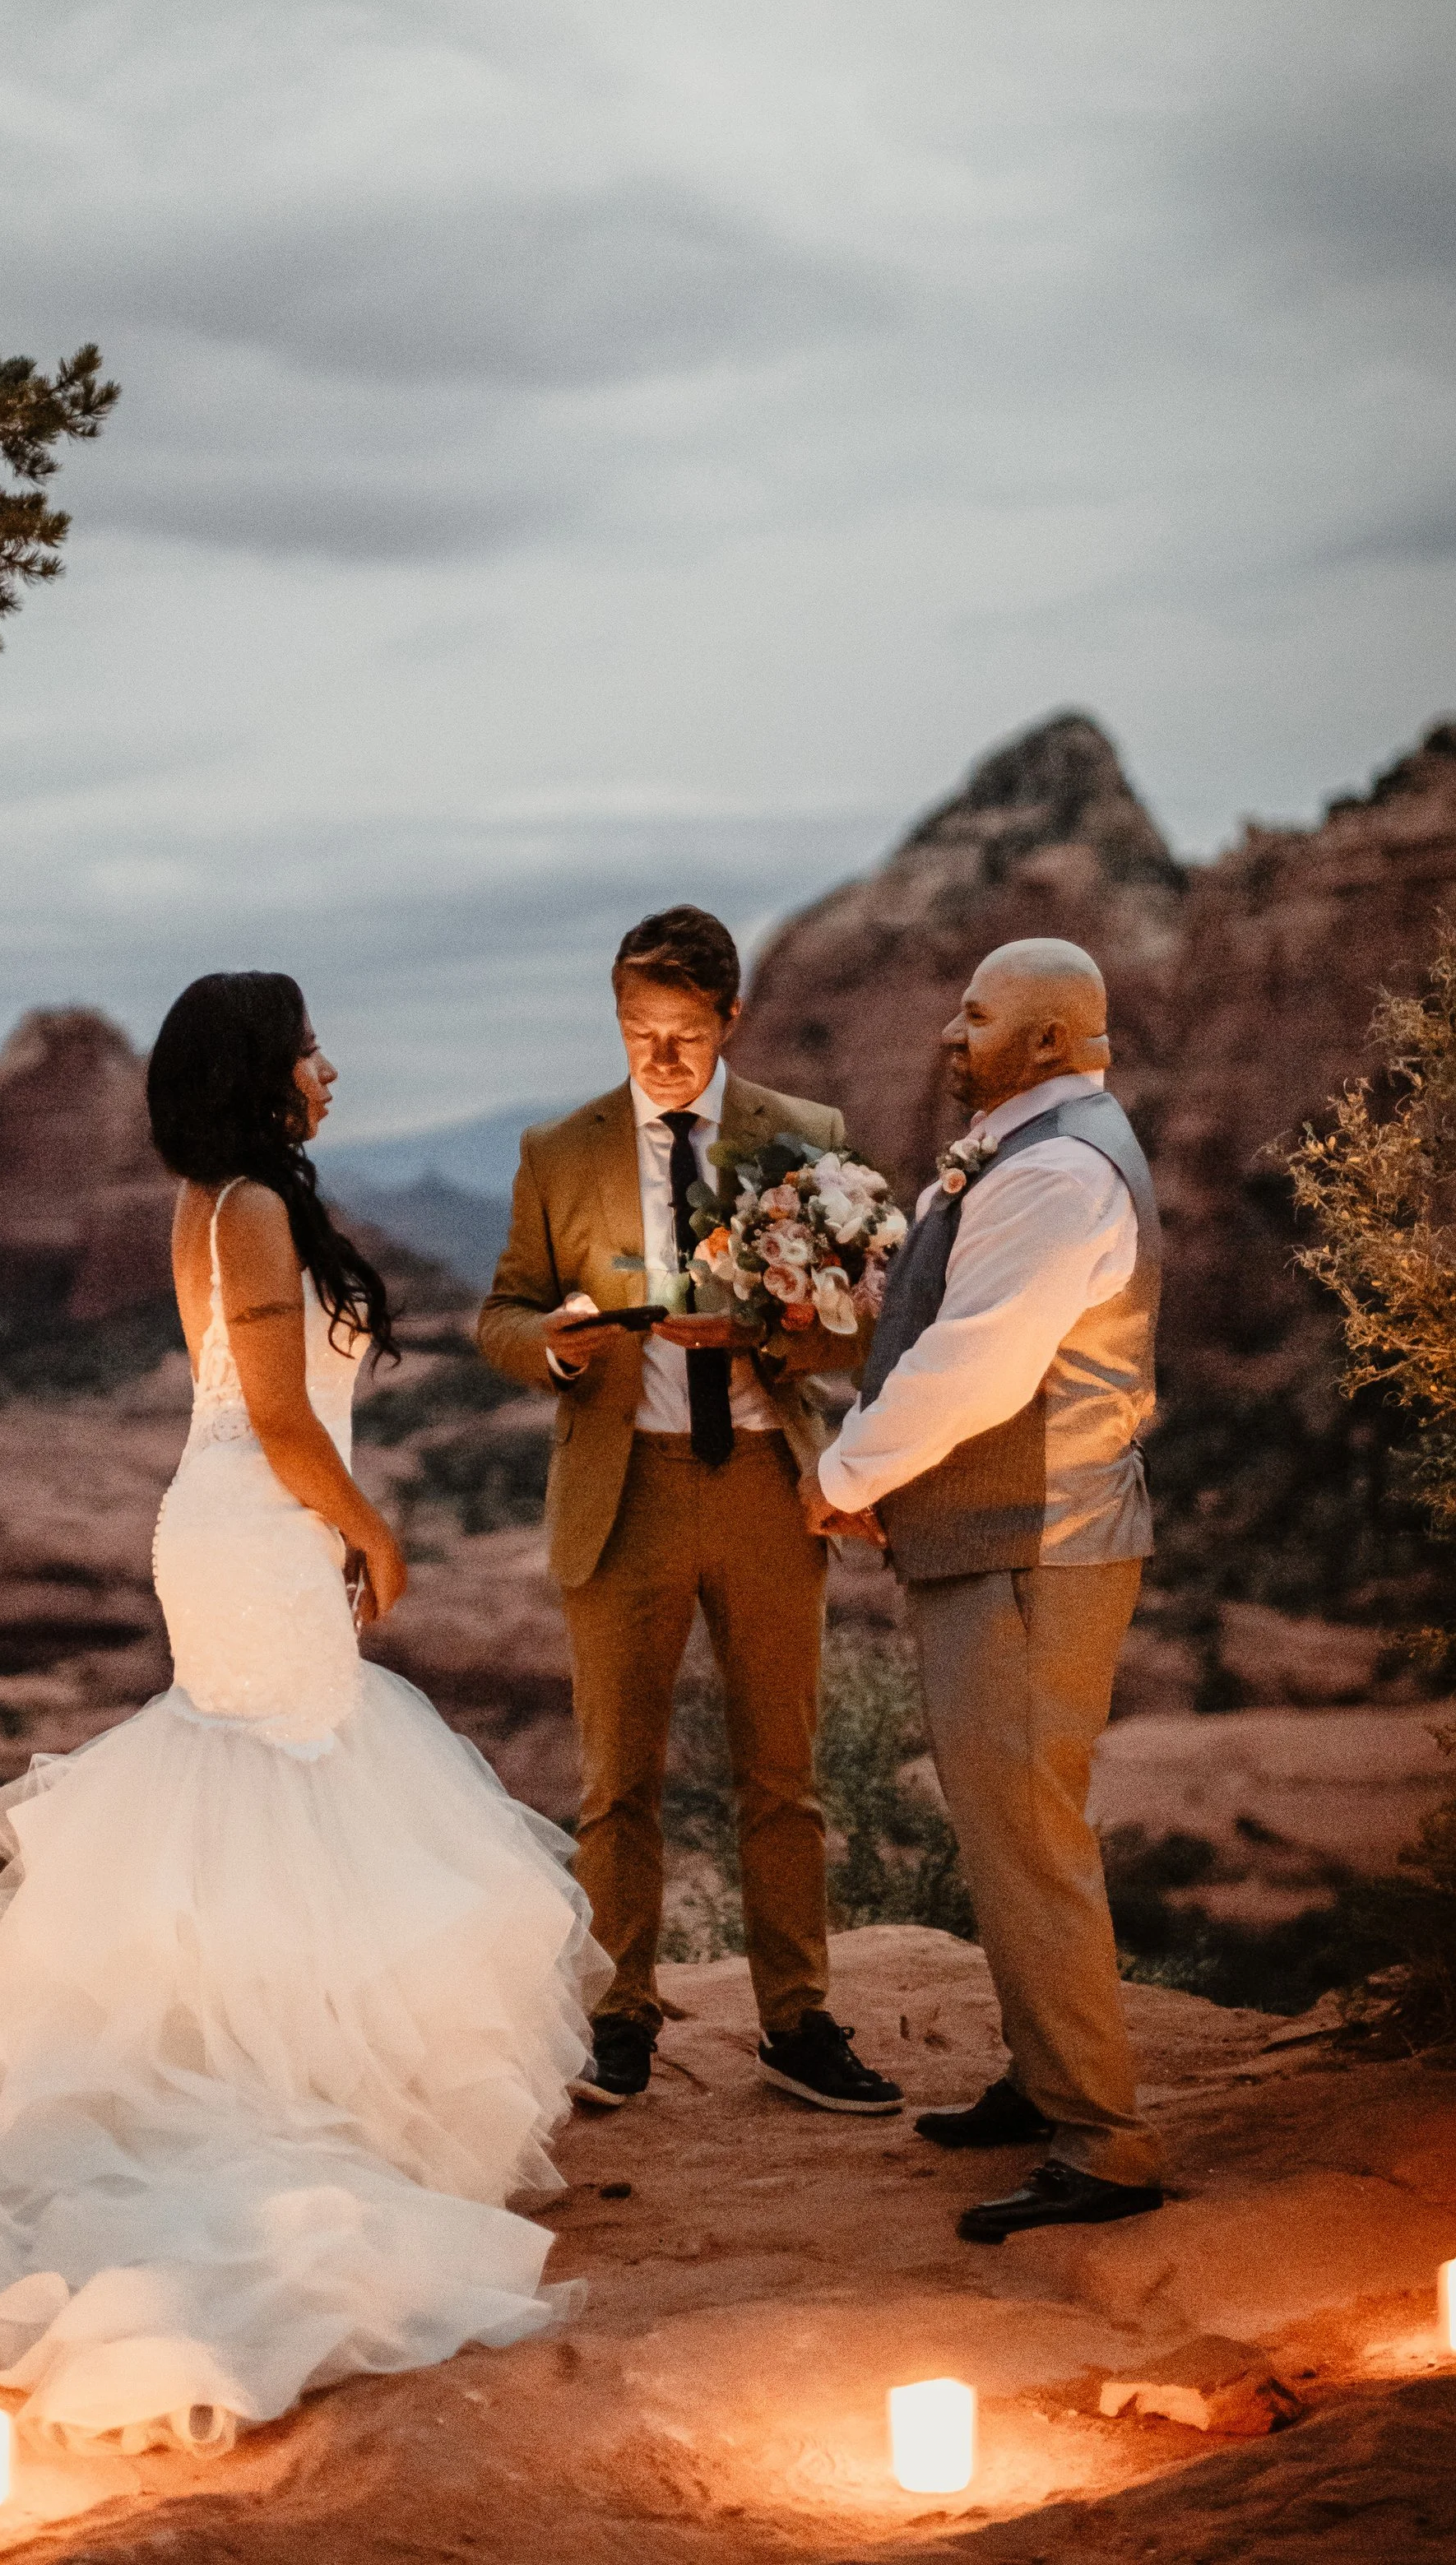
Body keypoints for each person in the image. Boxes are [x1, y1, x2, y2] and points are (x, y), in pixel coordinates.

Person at [0, 972, 604, 2449]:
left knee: (270, 1783)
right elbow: (278, 1415)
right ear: (263, 1071)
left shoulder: (215, 1197)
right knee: (289, 1778)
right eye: (310, 1049)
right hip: (263, 1523)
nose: (330, 1069)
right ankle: (284, 2099)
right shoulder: (254, 1210)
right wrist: (373, 1528)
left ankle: (257, 2066)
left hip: (237, 1521)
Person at [479, 906, 902, 2122]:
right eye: (635, 1030)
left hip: (768, 1488)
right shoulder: (560, 1150)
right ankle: (618, 2019)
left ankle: (799, 2019)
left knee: (783, 1772)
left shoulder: (806, 1138)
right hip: (627, 1491)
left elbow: (861, 1321)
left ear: (730, 1020)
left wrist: (755, 1329)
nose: (658, 1057)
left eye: (681, 1032)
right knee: (620, 1780)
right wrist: (549, 1351)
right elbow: (498, 1311)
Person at [803, 937, 1165, 2242]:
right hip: (1004, 1537)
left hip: (1035, 1545)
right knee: (1005, 1816)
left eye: (978, 1013)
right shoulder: (1034, 1148)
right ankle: (1045, 2074)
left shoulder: (1060, 1171)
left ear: (1053, 1041)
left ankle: (1106, 2140)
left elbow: (981, 1364)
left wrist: (844, 1475)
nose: (950, 1032)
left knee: (1026, 1825)